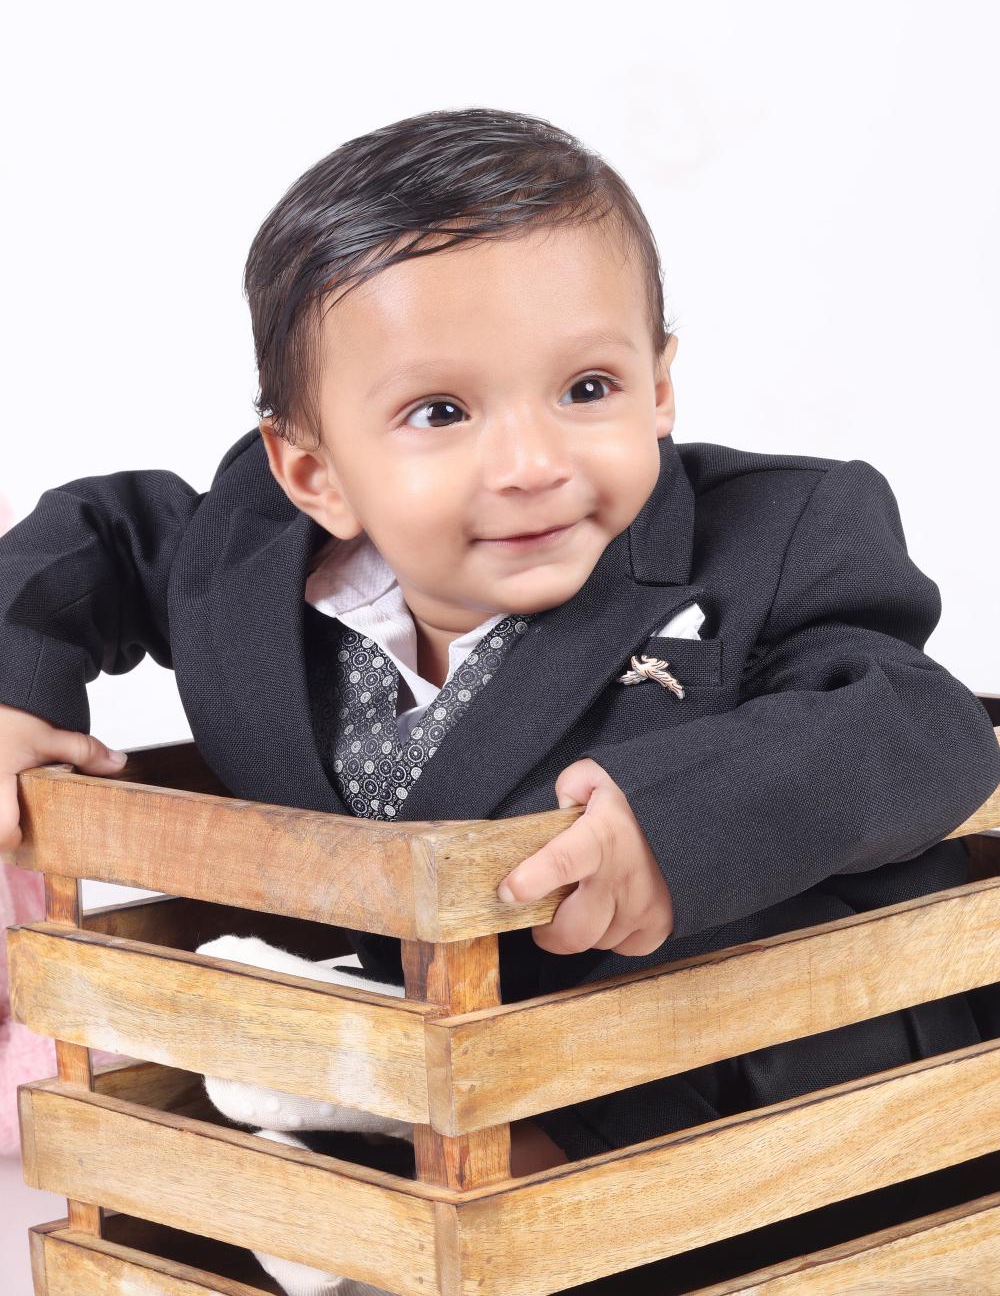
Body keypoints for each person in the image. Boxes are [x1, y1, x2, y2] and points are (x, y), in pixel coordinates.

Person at [2, 106, 999, 1201]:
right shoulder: (246, 563)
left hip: (770, 1087)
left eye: (587, 389)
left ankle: (491, 1172)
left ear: (659, 389)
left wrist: (679, 823)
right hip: (456, 1042)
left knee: (731, 972)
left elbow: (920, 719)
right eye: (441, 411)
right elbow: (102, 535)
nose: (531, 462)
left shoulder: (783, 533)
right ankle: (361, 1179)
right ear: (314, 473)